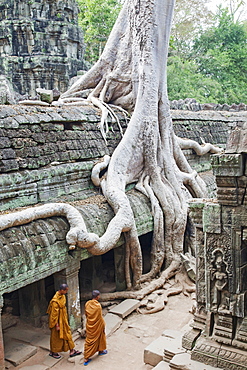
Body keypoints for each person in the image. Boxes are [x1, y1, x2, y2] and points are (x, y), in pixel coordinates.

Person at [47, 283, 82, 359]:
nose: (66, 292)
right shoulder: (55, 301)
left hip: (63, 320)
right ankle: (53, 352)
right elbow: (53, 315)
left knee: (67, 334)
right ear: (62, 290)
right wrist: (56, 325)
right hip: (57, 322)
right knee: (55, 337)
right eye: (66, 290)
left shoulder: (62, 297)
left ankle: (72, 350)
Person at [83, 290, 107, 366]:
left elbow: (86, 314)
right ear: (97, 297)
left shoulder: (87, 304)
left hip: (90, 325)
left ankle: (101, 350)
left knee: (91, 339)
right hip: (98, 325)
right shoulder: (98, 306)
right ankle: (86, 357)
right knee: (96, 338)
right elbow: (99, 317)